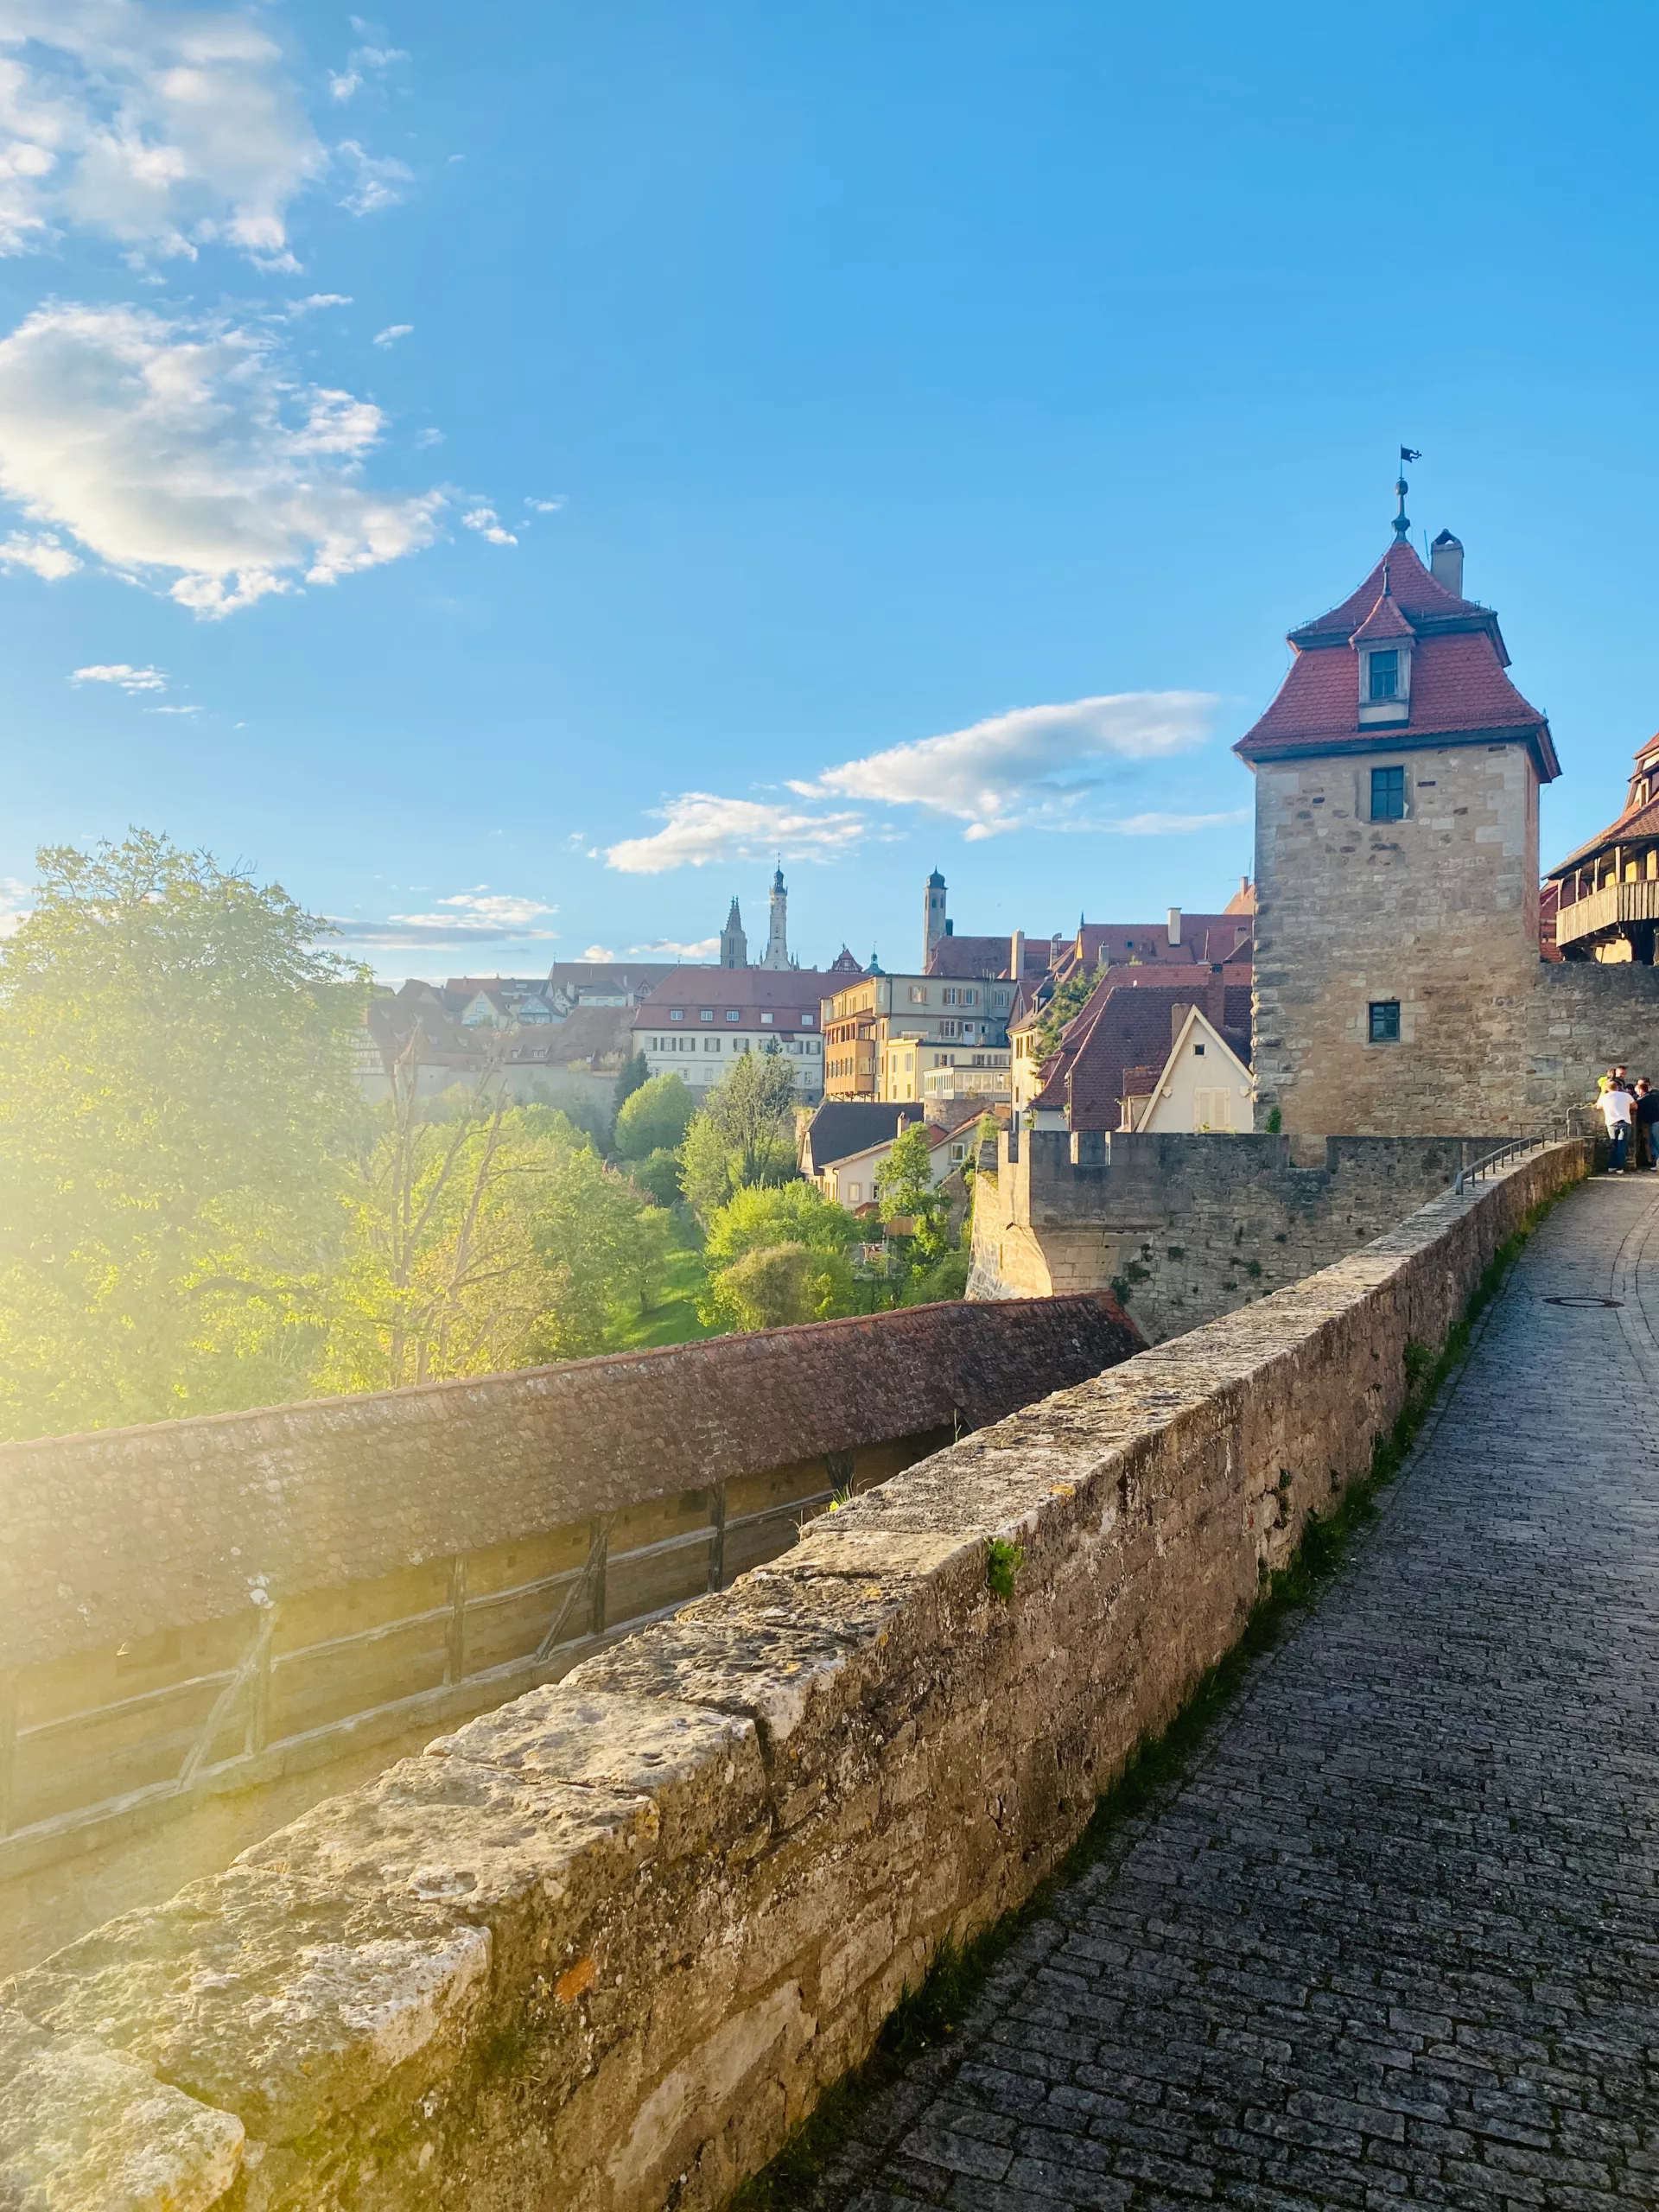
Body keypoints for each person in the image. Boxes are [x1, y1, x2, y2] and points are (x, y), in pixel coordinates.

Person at [1600, 1075, 1636, 1172]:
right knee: (1622, 1146)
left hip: (1611, 1123)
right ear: (1618, 1087)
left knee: (1614, 1145)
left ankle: (1611, 1166)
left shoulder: (1604, 1097)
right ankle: (1620, 1168)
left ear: (1608, 1088)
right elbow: (1635, 1106)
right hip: (1624, 1122)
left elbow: (1598, 1106)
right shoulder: (1626, 1095)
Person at [1637, 1078, 1659, 1169]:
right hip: (1653, 1122)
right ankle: (1657, 1162)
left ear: (1641, 1090)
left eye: (1637, 1090)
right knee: (1653, 1143)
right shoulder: (1653, 1096)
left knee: (1656, 1143)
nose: (1637, 1092)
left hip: (1655, 1122)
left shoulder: (1643, 1099)